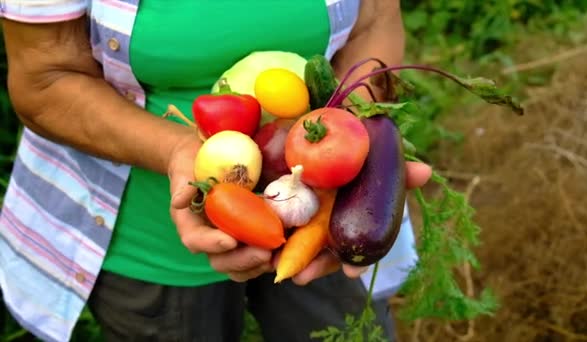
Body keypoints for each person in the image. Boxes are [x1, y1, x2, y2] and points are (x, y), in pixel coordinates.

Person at [0, 0, 432, 341]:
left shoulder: (335, 216)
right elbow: (44, 81)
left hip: (325, 205)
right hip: (147, 236)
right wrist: (176, 151)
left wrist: (354, 137)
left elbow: (375, 20)